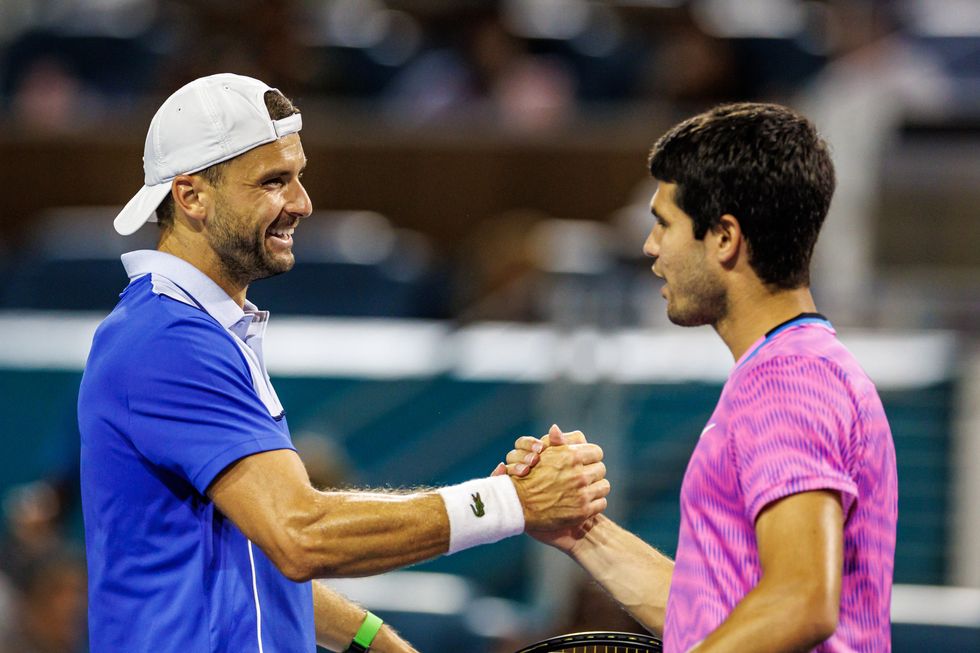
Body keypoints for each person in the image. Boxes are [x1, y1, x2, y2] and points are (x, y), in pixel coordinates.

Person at [76, 73, 610, 653]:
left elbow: (250, 556)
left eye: (298, 177)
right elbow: (301, 534)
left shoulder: (191, 330)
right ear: (191, 197)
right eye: (274, 181)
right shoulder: (169, 342)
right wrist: (510, 503)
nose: (302, 202)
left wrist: (373, 641)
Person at [504, 103, 897, 652]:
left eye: (665, 223)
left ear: (723, 238)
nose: (650, 247)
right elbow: (713, 621)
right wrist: (578, 530)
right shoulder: (793, 369)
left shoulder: (789, 379)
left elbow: (801, 601)